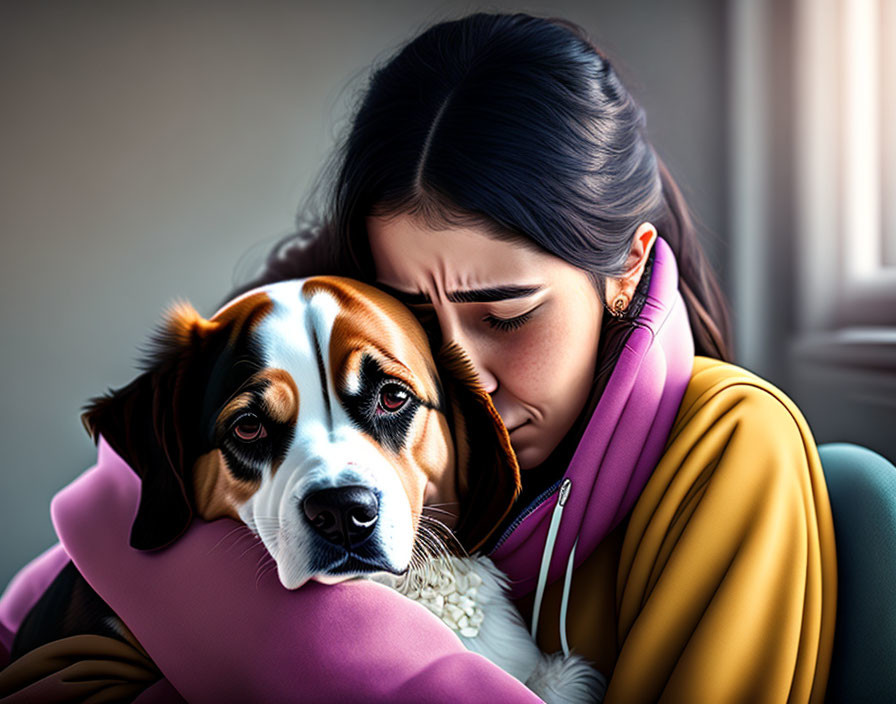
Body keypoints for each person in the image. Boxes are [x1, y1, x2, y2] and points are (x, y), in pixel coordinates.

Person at [0, 12, 836, 703]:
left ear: (622, 268)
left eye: (505, 312)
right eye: (410, 316)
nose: (454, 373)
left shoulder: (729, 446)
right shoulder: (301, 383)